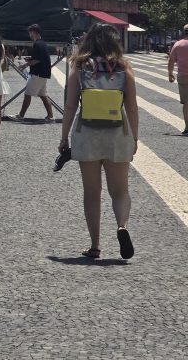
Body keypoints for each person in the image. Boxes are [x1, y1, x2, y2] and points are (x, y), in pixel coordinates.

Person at [59, 24, 139, 260]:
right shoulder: (124, 67)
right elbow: (132, 107)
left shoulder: (80, 66)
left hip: (87, 133)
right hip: (118, 134)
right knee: (120, 191)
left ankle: (95, 246)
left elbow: (71, 105)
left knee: (92, 192)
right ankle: (122, 226)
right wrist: (134, 137)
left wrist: (64, 137)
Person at [17, 24, 57, 121]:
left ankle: (20, 116)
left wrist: (24, 65)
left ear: (34, 32)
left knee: (27, 94)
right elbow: (40, 58)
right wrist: (30, 59)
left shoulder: (37, 44)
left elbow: (38, 60)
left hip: (37, 73)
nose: (29, 35)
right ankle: (50, 116)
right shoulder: (42, 43)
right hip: (44, 74)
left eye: (30, 33)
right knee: (43, 95)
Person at [167, 23, 188, 135]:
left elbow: (171, 61)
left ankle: (187, 128)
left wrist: (170, 74)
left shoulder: (178, 44)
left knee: (187, 103)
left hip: (183, 77)